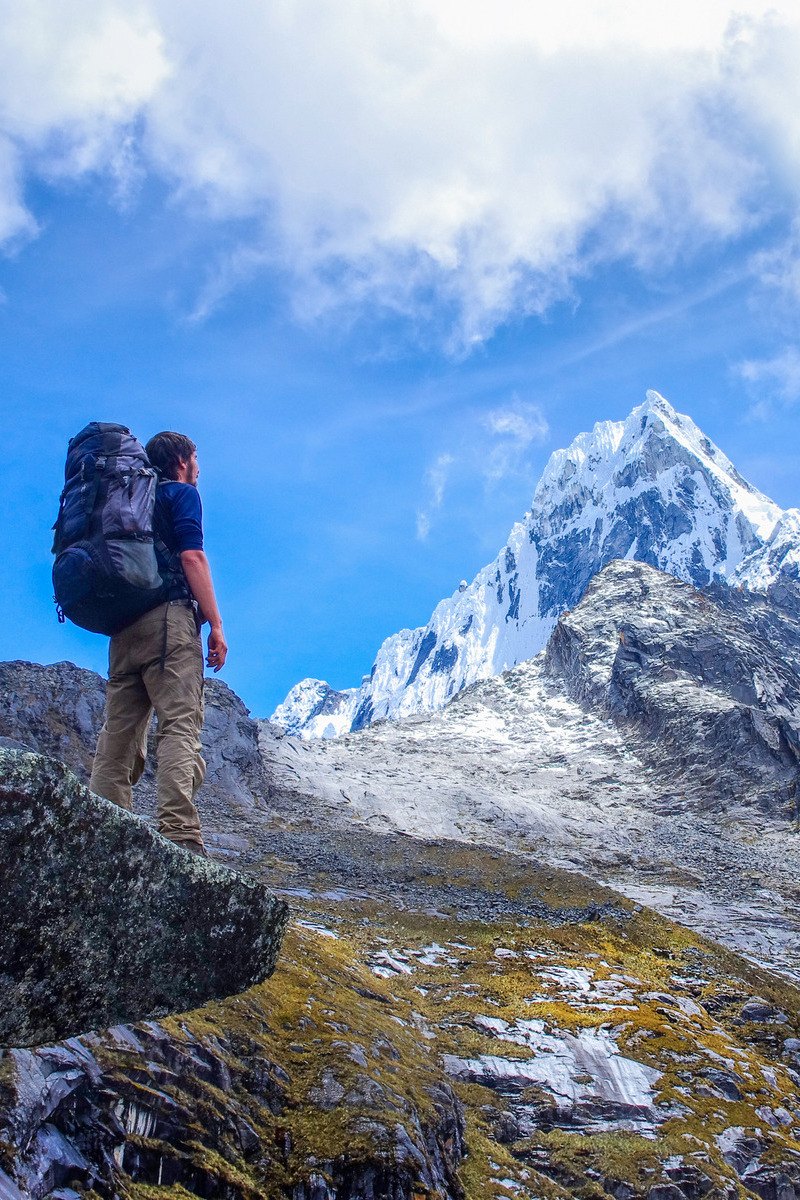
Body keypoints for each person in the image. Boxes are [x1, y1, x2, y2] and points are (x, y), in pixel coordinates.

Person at [89, 431, 228, 857]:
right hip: (168, 623)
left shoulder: (131, 502)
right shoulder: (181, 495)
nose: (200, 467)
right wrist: (216, 626)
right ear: (183, 460)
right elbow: (192, 558)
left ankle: (99, 831)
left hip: (123, 630)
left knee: (119, 734)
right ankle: (180, 833)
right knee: (179, 724)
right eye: (197, 457)